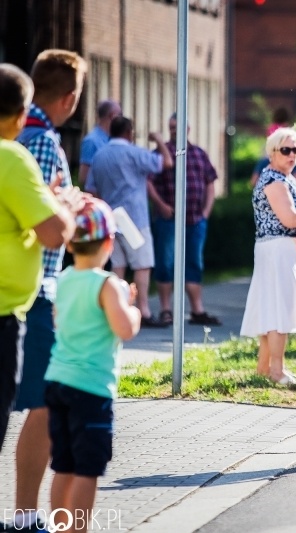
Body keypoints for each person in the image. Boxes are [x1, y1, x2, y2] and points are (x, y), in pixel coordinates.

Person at [12, 49, 87, 532]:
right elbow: (42, 223)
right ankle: (23, 516)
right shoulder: (38, 143)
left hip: (23, 291)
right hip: (34, 292)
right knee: (41, 404)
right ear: (72, 97)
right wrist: (70, 207)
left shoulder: (21, 135)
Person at [44, 198, 141, 533]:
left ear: (70, 242)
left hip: (57, 382)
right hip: (90, 389)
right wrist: (133, 309)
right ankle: (78, 530)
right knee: (88, 470)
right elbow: (124, 329)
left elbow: (60, 319)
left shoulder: (64, 279)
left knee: (63, 465)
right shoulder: (107, 284)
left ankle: (59, 528)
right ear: (109, 242)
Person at [0, 63, 76, 457]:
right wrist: (59, 203)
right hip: (10, 308)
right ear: (17, 114)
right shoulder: (13, 156)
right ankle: (24, 515)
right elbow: (54, 233)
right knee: (38, 402)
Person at [241, 127, 296, 385]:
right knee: (279, 310)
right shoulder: (274, 180)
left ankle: (264, 369)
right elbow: (289, 219)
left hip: (278, 249)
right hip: (277, 248)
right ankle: (277, 370)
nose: (292, 155)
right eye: (286, 150)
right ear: (272, 152)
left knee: (272, 309)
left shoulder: (283, 178)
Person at [88, 115, 173, 326]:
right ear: (129, 133)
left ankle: (118, 308)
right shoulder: (135, 153)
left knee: (118, 267)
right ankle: (143, 310)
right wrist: (160, 141)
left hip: (110, 219)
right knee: (142, 265)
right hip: (135, 219)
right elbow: (167, 162)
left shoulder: (99, 156)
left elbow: (91, 188)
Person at [148, 112, 221, 326]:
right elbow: (148, 181)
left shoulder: (199, 153)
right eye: (170, 127)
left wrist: (206, 212)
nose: (173, 131)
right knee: (165, 263)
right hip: (168, 220)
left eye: (177, 127)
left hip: (195, 220)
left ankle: (197, 310)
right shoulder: (162, 154)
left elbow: (210, 183)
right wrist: (160, 205)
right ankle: (165, 309)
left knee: (194, 263)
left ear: (187, 129)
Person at [78, 99, 121, 187]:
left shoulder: (113, 139)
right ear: (112, 116)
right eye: (120, 115)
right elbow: (83, 177)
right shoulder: (92, 141)